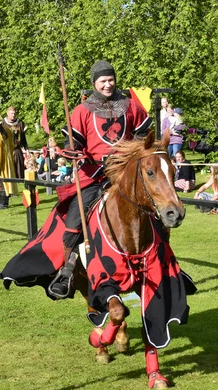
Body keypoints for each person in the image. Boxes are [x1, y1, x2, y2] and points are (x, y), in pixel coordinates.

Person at [49, 60, 152, 297]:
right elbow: (73, 141)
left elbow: (143, 132)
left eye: (111, 80)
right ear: (94, 83)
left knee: (155, 211)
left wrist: (134, 151)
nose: (108, 85)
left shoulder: (130, 106)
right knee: (76, 219)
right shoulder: (82, 110)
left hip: (124, 173)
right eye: (103, 81)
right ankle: (67, 271)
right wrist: (74, 150)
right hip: (93, 174)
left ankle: (167, 267)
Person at [2, 106, 28, 179]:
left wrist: (27, 149)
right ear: (7, 113)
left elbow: (23, 138)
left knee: (19, 166)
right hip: (6, 150)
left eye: (14, 113)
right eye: (11, 113)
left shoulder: (20, 123)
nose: (13, 115)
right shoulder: (3, 123)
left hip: (17, 149)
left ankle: (19, 179)